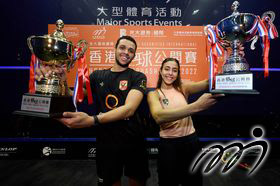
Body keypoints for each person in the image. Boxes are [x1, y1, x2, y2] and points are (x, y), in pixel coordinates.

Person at [36, 36, 150, 186]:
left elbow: (129, 109)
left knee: (137, 182)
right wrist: (62, 81)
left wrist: (92, 120)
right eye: (122, 48)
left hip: (134, 141)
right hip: (107, 142)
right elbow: (75, 95)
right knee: (111, 181)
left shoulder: (138, 77)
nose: (126, 52)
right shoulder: (97, 76)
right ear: (115, 49)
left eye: (131, 50)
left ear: (134, 55)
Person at [147, 57, 224, 186]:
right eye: (167, 69)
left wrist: (228, 63)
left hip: (190, 142)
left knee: (194, 181)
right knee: (168, 182)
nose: (170, 73)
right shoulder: (154, 94)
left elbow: (208, 83)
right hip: (168, 146)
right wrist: (197, 106)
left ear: (178, 73)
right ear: (160, 71)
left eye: (174, 70)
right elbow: (158, 116)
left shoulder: (182, 87)